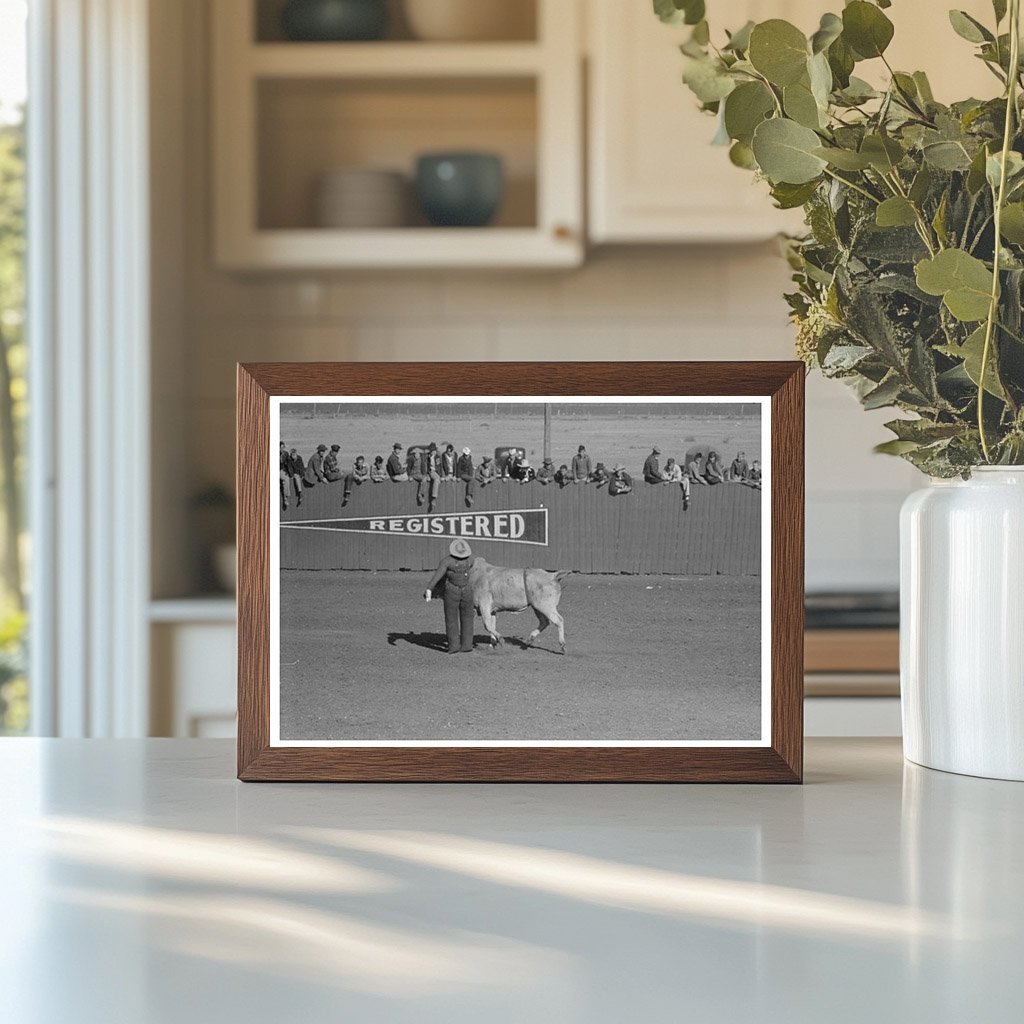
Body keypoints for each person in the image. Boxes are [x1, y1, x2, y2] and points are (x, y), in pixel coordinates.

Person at [424, 539, 476, 654]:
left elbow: (437, 576)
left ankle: (454, 646)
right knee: (468, 618)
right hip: (467, 590)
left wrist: (429, 589)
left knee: (451, 618)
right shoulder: (471, 560)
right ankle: (467, 645)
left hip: (452, 591)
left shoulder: (447, 561)